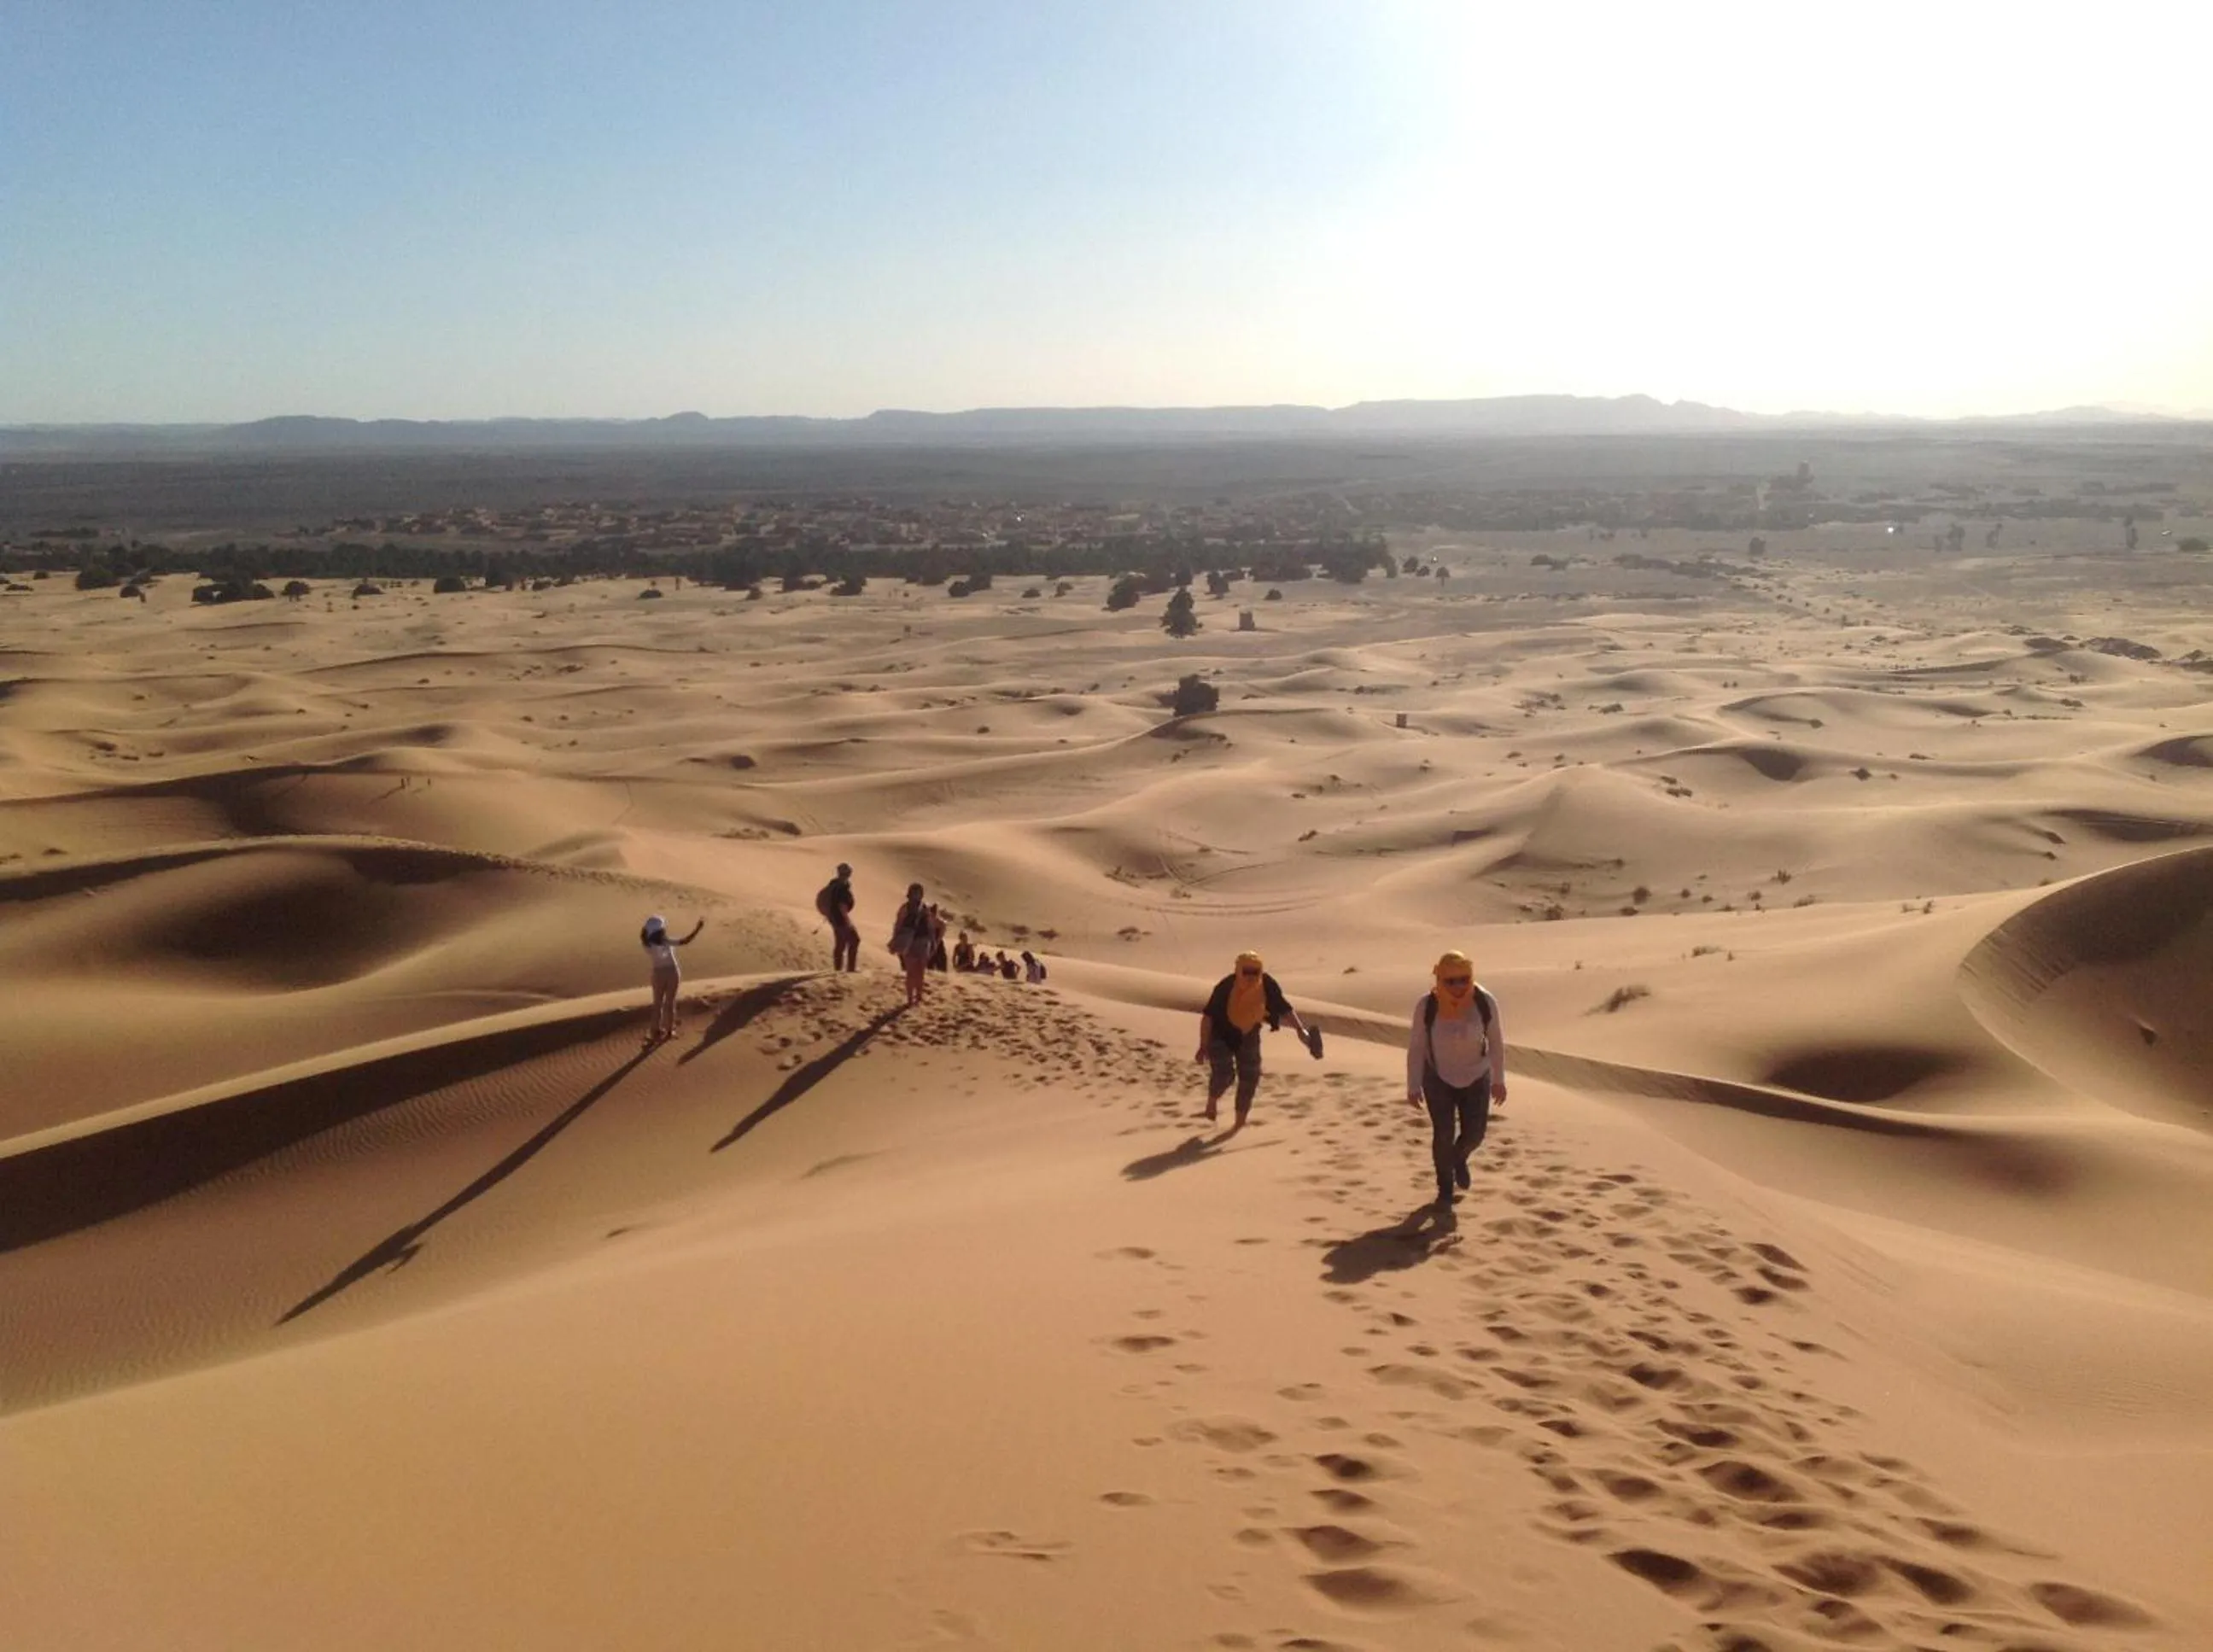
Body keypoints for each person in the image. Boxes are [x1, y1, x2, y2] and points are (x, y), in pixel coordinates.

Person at [1405, 949, 1506, 1207]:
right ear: (1439, 980)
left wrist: (1498, 1080)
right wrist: (1413, 1084)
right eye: (1451, 981)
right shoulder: (1426, 1006)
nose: (1459, 986)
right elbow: (1416, 1046)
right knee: (1443, 1133)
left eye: (1464, 979)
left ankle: (1458, 1158)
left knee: (1475, 1134)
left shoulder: (1485, 1002)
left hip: (1477, 1076)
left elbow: (1496, 1042)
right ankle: (1445, 1190)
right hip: (1437, 1076)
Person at [1194, 950, 1317, 1128]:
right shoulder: (1226, 987)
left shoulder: (1267, 984)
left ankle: (1238, 1125)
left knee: (1250, 1077)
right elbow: (1208, 1017)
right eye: (1247, 971)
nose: (1251, 976)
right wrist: (1203, 1046)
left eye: (1255, 972)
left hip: (1250, 1032)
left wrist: (1300, 1030)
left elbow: (1284, 1007)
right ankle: (1212, 1100)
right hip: (1221, 1034)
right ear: (1238, 970)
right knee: (1225, 1075)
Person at [640, 913, 704, 1042]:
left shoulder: (647, 945)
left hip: (658, 974)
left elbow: (644, 935)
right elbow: (685, 941)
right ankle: (669, 1030)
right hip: (672, 972)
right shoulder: (667, 941)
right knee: (670, 1002)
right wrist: (697, 929)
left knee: (657, 1003)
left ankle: (655, 1032)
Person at [888, 883, 943, 1007]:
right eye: (915, 893)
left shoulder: (924, 908)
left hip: (923, 942)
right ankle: (910, 999)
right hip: (909, 942)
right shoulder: (905, 908)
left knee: (920, 972)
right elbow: (898, 924)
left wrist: (934, 942)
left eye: (919, 893)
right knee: (911, 972)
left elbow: (930, 926)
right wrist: (895, 940)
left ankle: (918, 997)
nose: (917, 895)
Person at [817, 862, 859, 972]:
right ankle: (850, 969)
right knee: (854, 940)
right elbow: (841, 905)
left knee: (841, 942)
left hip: (834, 918)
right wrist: (846, 920)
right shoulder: (841, 887)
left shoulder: (834, 886)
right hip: (840, 918)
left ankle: (838, 969)